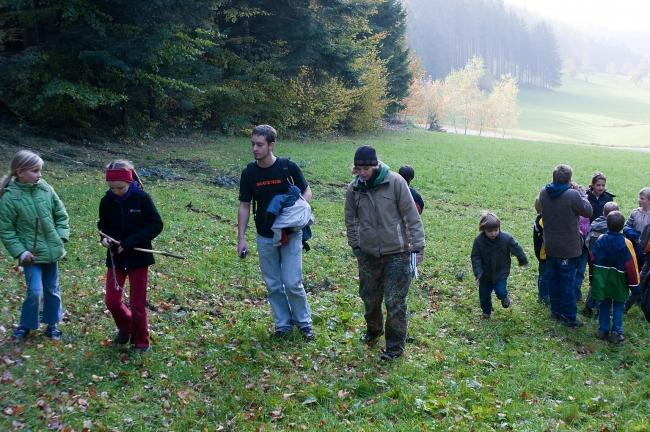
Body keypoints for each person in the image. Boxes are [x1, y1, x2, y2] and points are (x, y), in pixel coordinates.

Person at [344, 145, 425, 361]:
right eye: (357, 169)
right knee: (369, 299)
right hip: (368, 254)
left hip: (398, 253)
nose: (361, 173)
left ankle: (394, 348)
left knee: (395, 301)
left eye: (365, 169)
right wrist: (356, 246)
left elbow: (411, 216)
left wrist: (418, 247)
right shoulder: (354, 189)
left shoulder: (395, 182)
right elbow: (350, 219)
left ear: (375, 165)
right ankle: (373, 330)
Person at [237, 125, 315, 341]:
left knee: (292, 282)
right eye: (253, 144)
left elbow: (307, 190)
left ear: (271, 145)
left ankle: (304, 323)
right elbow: (244, 205)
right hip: (265, 235)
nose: (254, 148)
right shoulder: (249, 173)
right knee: (273, 284)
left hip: (290, 234)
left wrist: (297, 208)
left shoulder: (287, 168)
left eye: (259, 144)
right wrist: (241, 238)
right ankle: (283, 325)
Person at [0, 150, 69, 342]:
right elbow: (6, 230)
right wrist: (21, 252)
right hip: (31, 256)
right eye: (35, 170)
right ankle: (27, 324)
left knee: (52, 289)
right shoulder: (10, 197)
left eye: (40, 170)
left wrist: (61, 237)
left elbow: (61, 215)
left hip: (52, 251)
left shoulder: (46, 188)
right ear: (20, 172)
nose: (39, 174)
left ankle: (52, 324)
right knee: (35, 291)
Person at [98, 160, 163, 352]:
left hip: (138, 258)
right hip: (115, 259)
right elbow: (103, 226)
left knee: (137, 303)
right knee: (111, 301)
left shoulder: (141, 198)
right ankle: (126, 327)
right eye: (112, 188)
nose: (116, 191)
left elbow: (156, 225)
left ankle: (141, 342)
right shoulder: (106, 201)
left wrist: (129, 242)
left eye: (121, 187)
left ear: (129, 182)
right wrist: (105, 239)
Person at [536, 164, 592, 327]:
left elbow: (540, 209)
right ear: (569, 179)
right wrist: (581, 193)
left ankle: (555, 311)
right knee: (567, 281)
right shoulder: (572, 195)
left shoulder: (544, 192)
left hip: (551, 245)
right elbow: (588, 211)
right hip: (568, 247)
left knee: (553, 278)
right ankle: (569, 316)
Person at [590, 211, 639, 344]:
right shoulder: (626, 243)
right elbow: (631, 264)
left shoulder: (600, 240)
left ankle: (603, 329)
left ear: (607, 224)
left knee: (604, 303)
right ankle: (616, 332)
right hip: (619, 279)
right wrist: (634, 285)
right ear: (622, 226)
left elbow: (592, 258)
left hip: (603, 277)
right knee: (618, 305)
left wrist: (591, 276)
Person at [471, 212, 528, 319]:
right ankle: (486, 312)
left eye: (496, 230)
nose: (493, 233)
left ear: (499, 228)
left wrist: (522, 259)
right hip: (485, 274)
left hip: (501, 272)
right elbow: (476, 258)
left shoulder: (506, 239)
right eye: (490, 231)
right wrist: (478, 273)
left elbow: (516, 249)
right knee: (484, 296)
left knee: (500, 290)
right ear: (483, 229)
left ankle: (504, 297)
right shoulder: (479, 241)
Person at [582, 201, 620, 317]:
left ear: (603, 212)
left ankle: (588, 308)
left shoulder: (594, 223)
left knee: (594, 284)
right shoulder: (611, 229)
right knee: (604, 287)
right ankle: (600, 311)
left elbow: (588, 240)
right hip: (607, 263)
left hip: (595, 260)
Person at [623, 187, 650, 311]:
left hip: (646, 249)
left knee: (644, 273)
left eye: (642, 199)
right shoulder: (635, 212)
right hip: (634, 247)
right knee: (634, 269)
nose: (639, 200)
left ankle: (640, 297)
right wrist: (632, 233)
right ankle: (631, 291)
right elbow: (627, 226)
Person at [532, 207, 548, 306]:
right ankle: (543, 297)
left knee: (544, 275)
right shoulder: (542, 220)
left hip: (545, 254)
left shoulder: (541, 219)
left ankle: (544, 295)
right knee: (544, 276)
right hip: (544, 254)